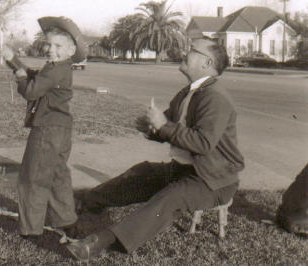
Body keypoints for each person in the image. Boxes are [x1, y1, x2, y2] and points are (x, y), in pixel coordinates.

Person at [66, 37, 245, 262]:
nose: (184, 52)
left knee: (169, 198)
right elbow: (168, 127)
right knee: (143, 173)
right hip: (185, 170)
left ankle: (98, 243)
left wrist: (162, 125)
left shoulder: (215, 97)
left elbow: (203, 143)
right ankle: (88, 200)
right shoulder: (190, 92)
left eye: (192, 50)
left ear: (206, 63)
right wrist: (151, 128)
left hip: (213, 180)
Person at [2, 16, 87, 237]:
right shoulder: (59, 67)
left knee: (33, 177)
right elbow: (35, 77)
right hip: (61, 130)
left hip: (47, 130)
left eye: (58, 46)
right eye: (48, 44)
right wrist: (15, 63)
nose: (51, 49)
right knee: (57, 175)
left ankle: (30, 229)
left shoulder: (55, 69)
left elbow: (31, 90)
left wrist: (19, 77)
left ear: (71, 51)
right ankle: (67, 220)